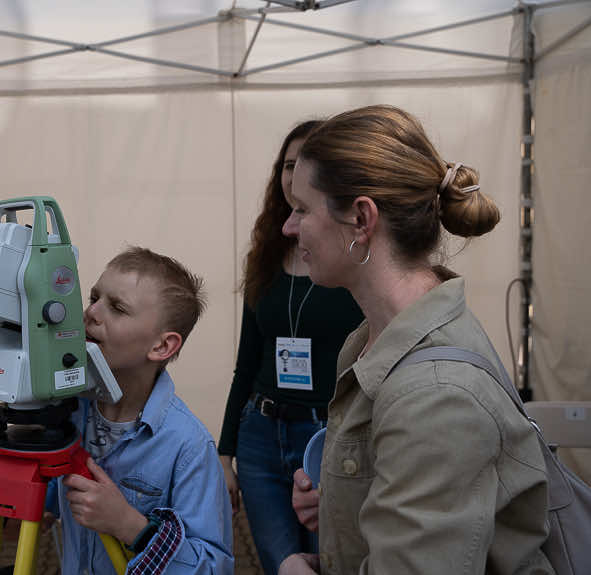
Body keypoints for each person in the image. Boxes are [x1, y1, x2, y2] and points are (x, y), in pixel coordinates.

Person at [277, 105, 553, 574]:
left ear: (362, 220)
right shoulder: (375, 341)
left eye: (302, 208)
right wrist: (346, 510)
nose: (288, 226)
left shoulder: (435, 393)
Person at [218, 121, 363, 575]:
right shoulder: (264, 252)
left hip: (327, 435)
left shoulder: (351, 256)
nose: (292, 174)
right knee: (281, 565)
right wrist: (225, 453)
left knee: (332, 562)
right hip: (260, 434)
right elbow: (246, 362)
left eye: (303, 165)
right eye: (286, 164)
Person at [48, 247, 234, 574]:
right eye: (94, 297)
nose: (92, 312)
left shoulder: (188, 447)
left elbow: (213, 567)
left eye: (117, 307)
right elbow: (44, 507)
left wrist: (130, 526)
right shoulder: (69, 413)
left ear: (161, 346)